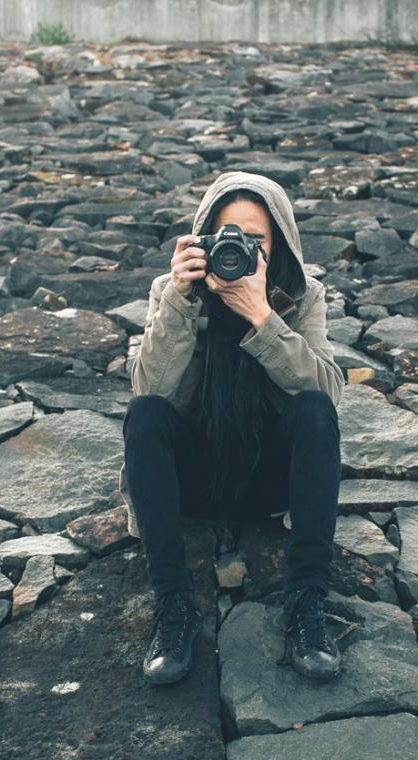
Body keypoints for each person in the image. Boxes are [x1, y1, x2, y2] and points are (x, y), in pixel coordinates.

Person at [120, 171, 346, 686]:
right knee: (145, 417)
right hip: (195, 481)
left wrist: (263, 317)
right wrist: (179, 301)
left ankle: (308, 603)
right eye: (227, 235)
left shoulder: (300, 295)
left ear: (280, 242)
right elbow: (147, 387)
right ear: (202, 238)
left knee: (313, 409)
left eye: (256, 239)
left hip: (268, 482)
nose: (238, 249)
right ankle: (174, 607)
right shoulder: (172, 290)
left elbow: (329, 395)